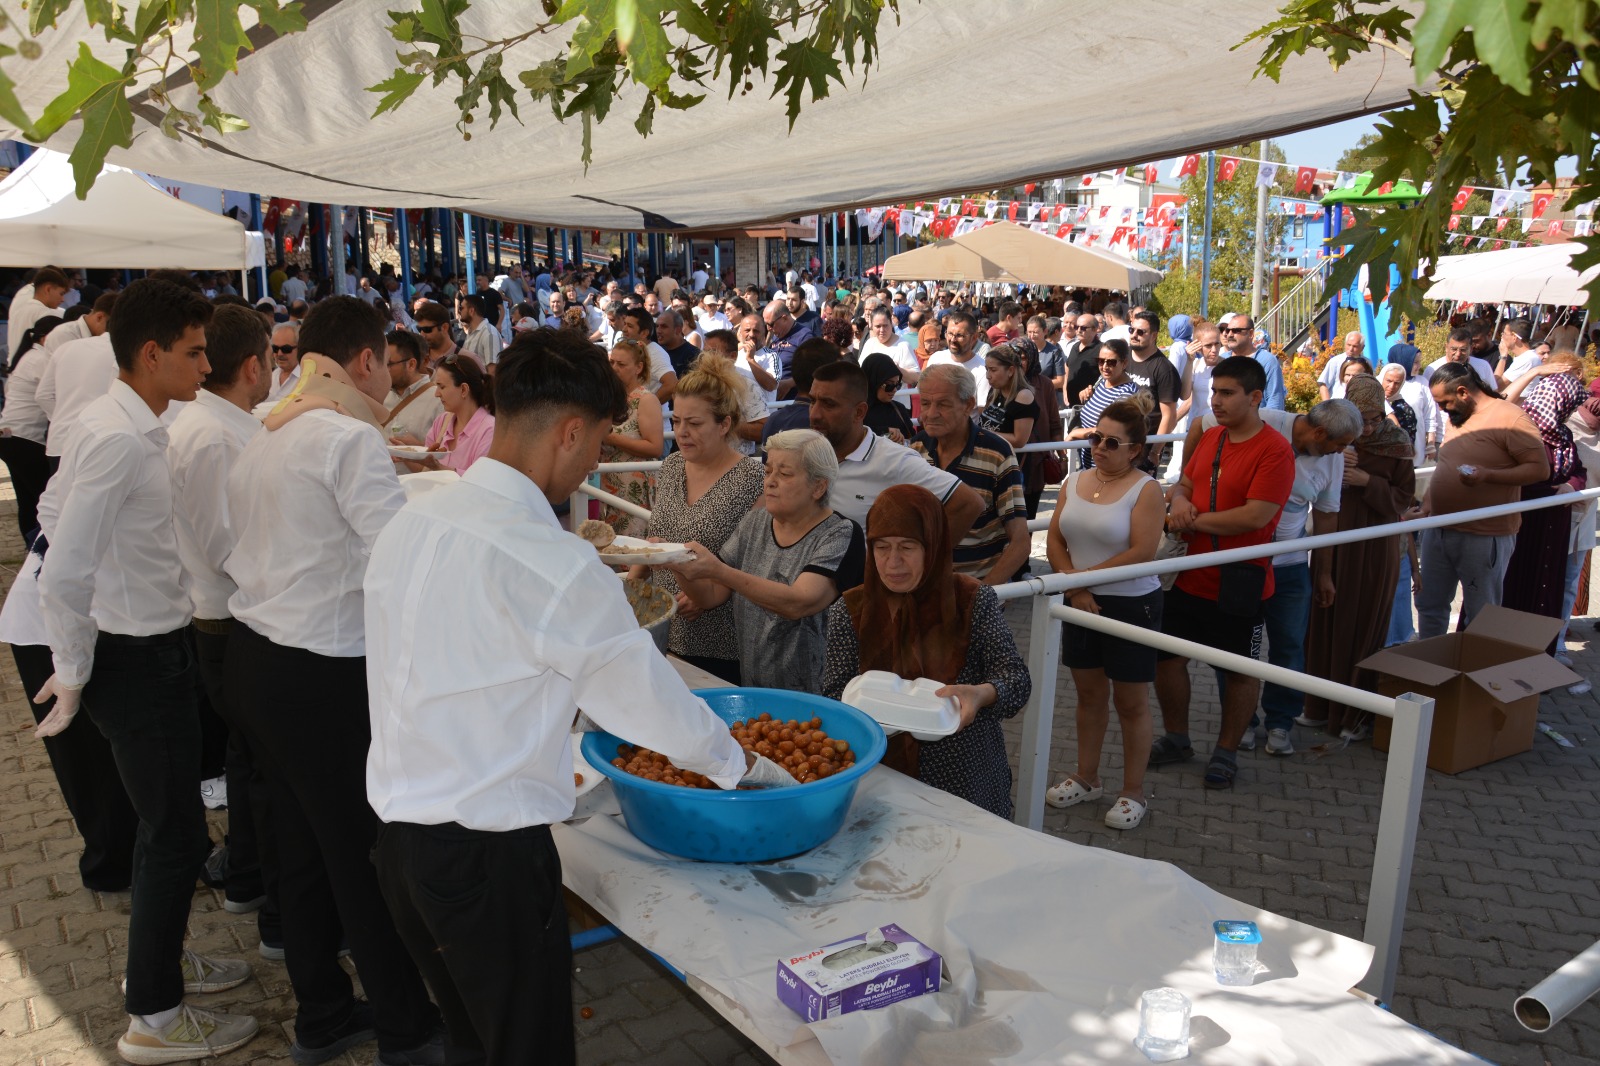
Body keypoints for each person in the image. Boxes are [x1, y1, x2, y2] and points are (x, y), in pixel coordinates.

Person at [364, 328, 789, 1066]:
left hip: (399, 844)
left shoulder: (415, 516)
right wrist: (743, 769)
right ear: (568, 431)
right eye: (598, 441)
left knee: (474, 1043)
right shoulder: (552, 563)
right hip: (486, 862)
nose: (599, 459)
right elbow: (646, 703)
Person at [35, 277, 261, 1061]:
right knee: (174, 837)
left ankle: (156, 967)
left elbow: (51, 513)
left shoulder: (128, 422)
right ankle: (154, 1021)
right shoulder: (119, 435)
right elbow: (62, 566)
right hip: (134, 656)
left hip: (143, 647)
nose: (207, 364)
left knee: (159, 828)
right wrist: (72, 665)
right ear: (153, 353)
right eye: (196, 352)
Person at [223, 296, 445, 1065]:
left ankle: (321, 1013)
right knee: (361, 855)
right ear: (363, 362)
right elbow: (396, 557)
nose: (386, 375)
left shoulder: (267, 430)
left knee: (302, 850)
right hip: (320, 674)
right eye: (384, 361)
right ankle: (405, 1027)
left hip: (257, 660)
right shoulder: (346, 438)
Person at [167, 302, 280, 940]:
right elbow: (223, 544)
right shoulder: (210, 436)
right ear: (251, 367)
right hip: (228, 616)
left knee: (251, 756)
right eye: (269, 361)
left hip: (236, 611)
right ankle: (253, 876)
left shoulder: (226, 424)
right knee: (256, 759)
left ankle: (248, 870)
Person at [822, 485, 1031, 817]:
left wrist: (982, 695)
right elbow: (834, 690)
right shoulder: (851, 609)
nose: (893, 562)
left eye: (908, 547)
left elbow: (1015, 679)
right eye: (881, 547)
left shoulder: (971, 601)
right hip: (880, 777)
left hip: (964, 778)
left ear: (933, 546)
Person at [1149, 356, 1296, 790]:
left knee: (1240, 670)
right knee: (1166, 659)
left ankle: (1227, 751)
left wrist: (1188, 521)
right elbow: (1186, 485)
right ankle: (1178, 739)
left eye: (1227, 393)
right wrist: (1178, 503)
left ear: (1255, 397)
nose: (1216, 401)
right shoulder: (1211, 436)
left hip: (1242, 579)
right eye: (1213, 392)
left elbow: (1255, 516)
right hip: (1189, 575)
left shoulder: (1276, 450)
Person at [1185, 395, 1360, 752]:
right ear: (1320, 432)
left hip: (1290, 566)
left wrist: (1323, 574)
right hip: (1241, 563)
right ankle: (1242, 722)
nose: (1342, 452)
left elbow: (1327, 516)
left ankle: (1280, 722)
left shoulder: (1333, 460)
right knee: (1234, 649)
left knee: (1289, 646)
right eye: (1339, 445)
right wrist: (1188, 485)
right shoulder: (1263, 420)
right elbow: (1199, 425)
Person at [1044, 397, 1167, 829]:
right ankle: (1087, 776)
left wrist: (1082, 581)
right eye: (1095, 436)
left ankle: (1133, 792)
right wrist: (1074, 585)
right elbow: (1055, 539)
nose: (1098, 447)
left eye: (1111, 442)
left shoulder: (1146, 489)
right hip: (1079, 596)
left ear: (1135, 449)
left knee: (1131, 702)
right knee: (1089, 695)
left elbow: (1142, 551)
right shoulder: (1074, 480)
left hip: (1131, 602)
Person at [668, 429, 864, 688]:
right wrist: (677, 562)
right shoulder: (756, 522)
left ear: (818, 487)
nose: (770, 481)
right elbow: (710, 596)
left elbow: (799, 603)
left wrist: (718, 571)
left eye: (784, 474)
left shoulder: (840, 533)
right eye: (768, 471)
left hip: (818, 697)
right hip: (754, 688)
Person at [1300, 377, 1417, 739]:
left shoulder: (1396, 444)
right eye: (1360, 419)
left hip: (1374, 546)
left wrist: (1368, 480)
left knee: (1364, 622)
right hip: (1333, 539)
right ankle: (1317, 706)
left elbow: (1404, 497)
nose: (1367, 428)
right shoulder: (1331, 440)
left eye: (1373, 418)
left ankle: (1355, 716)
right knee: (1325, 619)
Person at [637, 358, 766, 683]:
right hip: (662, 625)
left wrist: (706, 594)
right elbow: (656, 538)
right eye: (677, 420)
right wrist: (632, 584)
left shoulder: (754, 477)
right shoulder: (672, 466)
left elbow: (757, 563)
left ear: (725, 424)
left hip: (722, 640)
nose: (681, 432)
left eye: (694, 423)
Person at [1417, 362, 1550, 637]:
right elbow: (1447, 463)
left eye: (1445, 402)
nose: (1442, 410)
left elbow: (1539, 469)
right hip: (1439, 529)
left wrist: (1488, 476)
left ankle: (1477, 677)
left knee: (1481, 615)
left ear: (1464, 392)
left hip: (1484, 535)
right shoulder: (1459, 416)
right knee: (1429, 605)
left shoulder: (1511, 418)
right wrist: (1429, 500)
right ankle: (1430, 670)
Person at [809, 359, 984, 536]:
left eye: (828, 404)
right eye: (812, 401)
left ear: (860, 412)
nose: (814, 414)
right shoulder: (803, 453)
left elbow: (968, 504)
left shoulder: (894, 461)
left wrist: (925, 559)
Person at [910, 363, 1030, 584]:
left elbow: (1021, 541)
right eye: (925, 403)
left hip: (974, 590)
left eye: (943, 404)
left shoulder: (997, 453)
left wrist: (983, 595)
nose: (930, 414)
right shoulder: (915, 450)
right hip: (922, 589)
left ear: (968, 405)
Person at [1500, 352, 1588, 628]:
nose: (1571, 413)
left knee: (1546, 587)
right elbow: (1517, 477)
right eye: (1568, 406)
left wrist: (1570, 485)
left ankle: (1542, 655)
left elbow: (1578, 471)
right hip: (1525, 526)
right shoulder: (1523, 432)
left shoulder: (1563, 435)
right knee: (1518, 586)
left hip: (1554, 526)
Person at [0, 314, 62, 536]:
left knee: (27, 499)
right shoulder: (42, 360)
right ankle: (41, 549)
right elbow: (52, 394)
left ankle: (31, 548)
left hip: (10, 435)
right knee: (43, 497)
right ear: (46, 339)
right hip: (24, 438)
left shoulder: (28, 357)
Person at [598, 339, 663, 537]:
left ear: (638, 367)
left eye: (621, 364)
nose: (614, 368)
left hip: (634, 489)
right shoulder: (608, 397)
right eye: (612, 363)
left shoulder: (646, 399)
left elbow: (655, 447)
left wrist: (611, 439)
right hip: (606, 485)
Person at [1067, 339, 1142, 469]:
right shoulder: (1103, 380)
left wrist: (1076, 433)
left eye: (1111, 362)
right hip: (1090, 462)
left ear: (1124, 363)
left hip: (1109, 465)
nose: (1105, 367)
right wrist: (1088, 392)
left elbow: (1113, 430)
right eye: (1101, 361)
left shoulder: (1127, 393)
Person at [413, 356, 495, 474]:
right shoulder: (441, 422)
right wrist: (406, 456)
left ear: (463, 389)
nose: (437, 394)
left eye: (442, 387)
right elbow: (426, 468)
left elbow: (481, 480)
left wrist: (438, 467)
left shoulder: (489, 430)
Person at [382, 329, 445, 447]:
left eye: (389, 364)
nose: (384, 370)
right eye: (382, 363)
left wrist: (417, 448)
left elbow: (445, 455)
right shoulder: (381, 396)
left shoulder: (438, 399)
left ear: (411, 364)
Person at [980, 341, 1039, 452]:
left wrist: (983, 433)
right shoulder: (994, 391)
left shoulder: (1023, 396)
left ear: (1010, 371)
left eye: (993, 370)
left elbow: (1019, 440)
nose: (988, 376)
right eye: (986, 369)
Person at [1221, 312, 1286, 411]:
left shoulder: (1267, 361)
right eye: (1228, 330)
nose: (1229, 334)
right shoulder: (1222, 360)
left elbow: (1275, 402)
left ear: (1251, 334)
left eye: (1236, 330)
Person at [618, 306, 678, 403]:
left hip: (650, 417)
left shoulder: (655, 353)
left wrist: (646, 406)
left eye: (630, 326)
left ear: (644, 333)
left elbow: (672, 384)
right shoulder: (631, 349)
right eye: (624, 324)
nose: (624, 329)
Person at [926, 310, 989, 404]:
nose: (952, 340)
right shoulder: (936, 359)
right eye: (950, 334)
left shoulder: (983, 371)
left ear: (974, 337)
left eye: (959, 335)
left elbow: (982, 411)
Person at [858, 307, 922, 383]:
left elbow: (916, 377)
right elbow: (860, 372)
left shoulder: (903, 345)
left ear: (891, 324)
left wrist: (897, 369)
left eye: (885, 326)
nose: (882, 330)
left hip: (898, 394)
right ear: (871, 326)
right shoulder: (869, 344)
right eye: (878, 326)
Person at [861, 351, 914, 441]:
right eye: (889, 385)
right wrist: (884, 431)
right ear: (874, 382)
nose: (894, 390)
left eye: (897, 385)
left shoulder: (899, 409)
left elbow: (913, 439)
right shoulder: (858, 411)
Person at [1421, 327, 1497, 389]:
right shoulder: (1433, 369)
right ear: (1446, 347)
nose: (1458, 354)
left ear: (1471, 349)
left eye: (1463, 350)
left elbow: (1493, 391)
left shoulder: (1483, 366)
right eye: (1454, 349)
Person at [457, 293, 504, 367]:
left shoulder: (489, 333)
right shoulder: (471, 331)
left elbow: (492, 371)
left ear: (471, 311)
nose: (459, 311)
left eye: (461, 308)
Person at [1317, 331, 1365, 400]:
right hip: (1337, 405)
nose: (1351, 349)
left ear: (1362, 347)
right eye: (1349, 345)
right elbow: (1323, 385)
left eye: (1355, 346)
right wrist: (1327, 406)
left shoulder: (1366, 363)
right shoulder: (1335, 362)